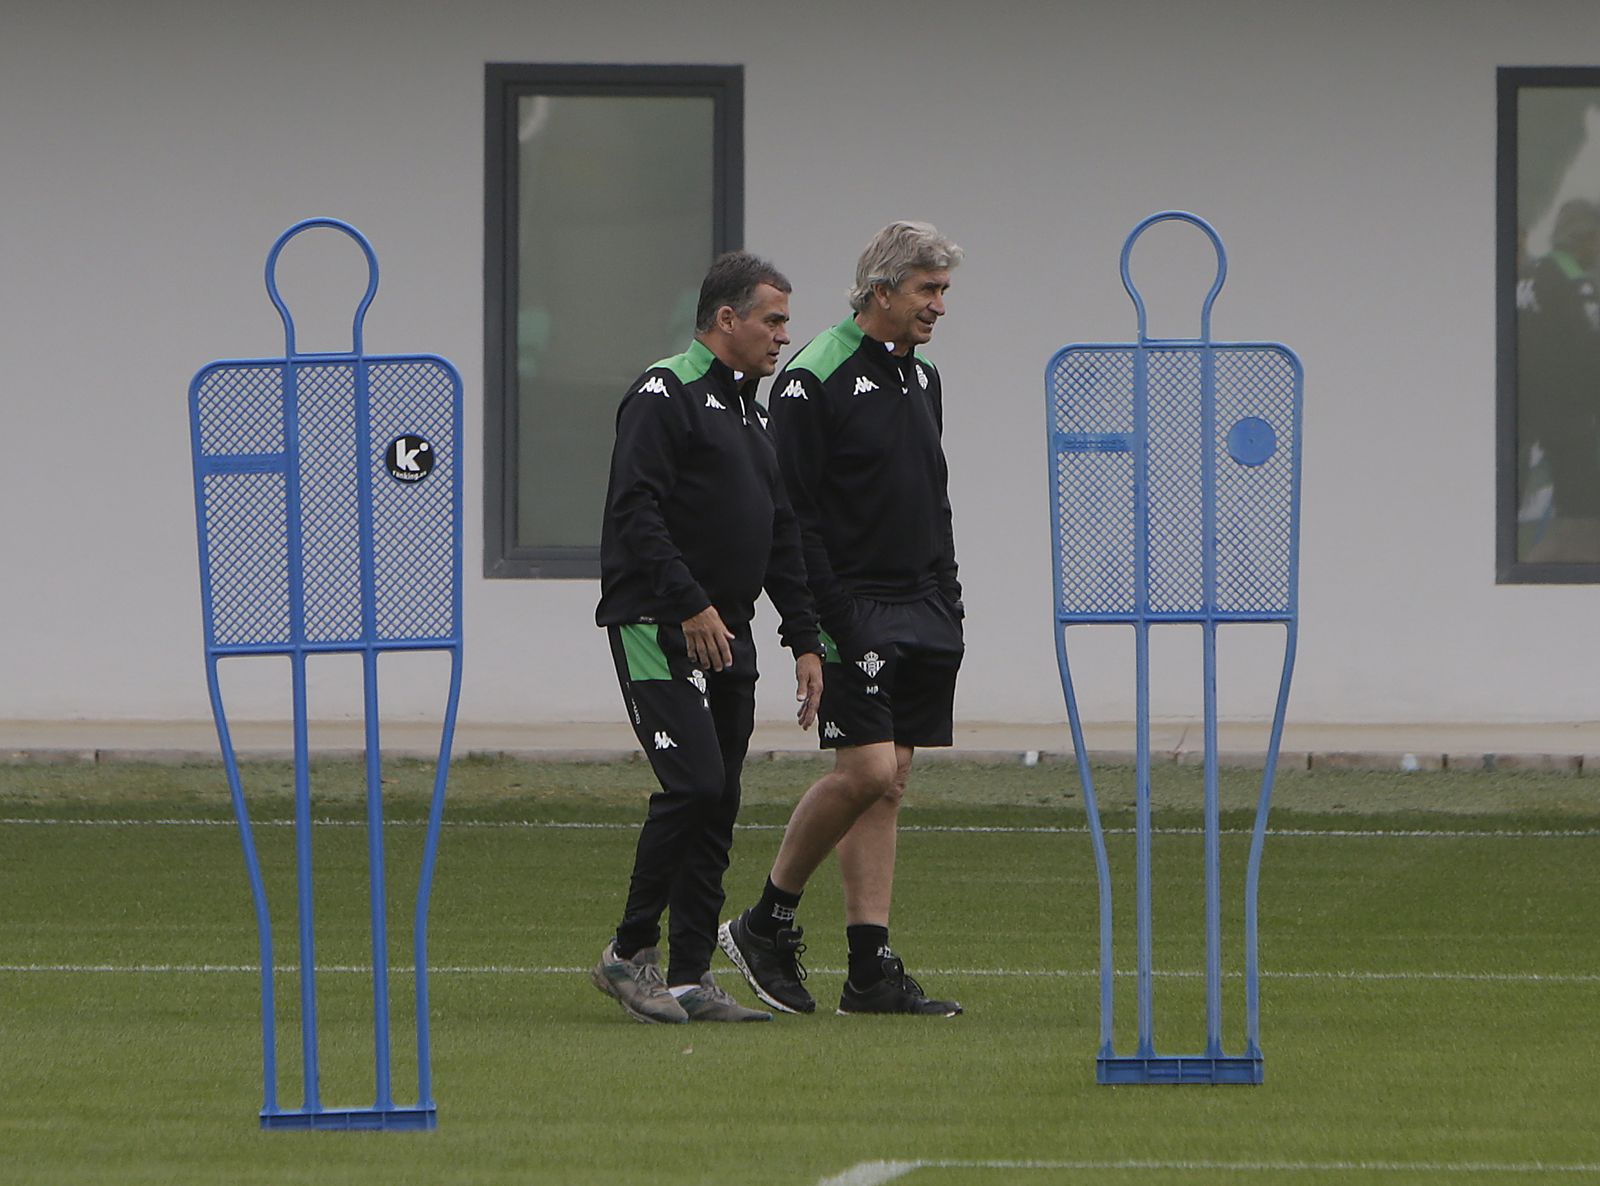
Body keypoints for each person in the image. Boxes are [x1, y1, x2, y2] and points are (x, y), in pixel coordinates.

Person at [719, 221, 966, 1017]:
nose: (938, 306)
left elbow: (931, 495)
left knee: (890, 783)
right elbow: (793, 513)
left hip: (921, 604)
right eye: (927, 290)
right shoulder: (812, 376)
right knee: (865, 772)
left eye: (944, 291)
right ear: (882, 290)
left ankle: (869, 970)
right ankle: (765, 921)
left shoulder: (922, 376)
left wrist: (949, 596)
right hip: (850, 604)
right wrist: (826, 622)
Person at [591, 252, 825, 1024]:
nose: (783, 336)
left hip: (731, 631)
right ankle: (629, 953)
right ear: (727, 319)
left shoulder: (753, 414)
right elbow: (635, 508)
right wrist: (689, 604)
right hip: (661, 625)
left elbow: (782, 534)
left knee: (719, 798)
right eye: (773, 320)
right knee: (692, 785)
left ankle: (691, 975)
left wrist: (805, 641)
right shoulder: (664, 394)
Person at [1519, 198, 1600, 562]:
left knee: (1569, 521)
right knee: (1586, 523)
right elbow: (1591, 351)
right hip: (1572, 420)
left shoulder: (1528, 276)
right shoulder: (1575, 284)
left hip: (1530, 415)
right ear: (1585, 238)